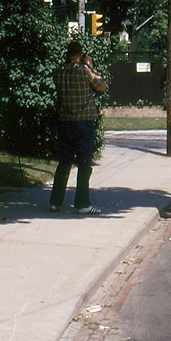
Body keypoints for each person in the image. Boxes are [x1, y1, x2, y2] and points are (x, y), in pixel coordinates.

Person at [49, 41, 106, 214]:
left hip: (65, 121)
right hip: (83, 122)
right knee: (84, 164)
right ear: (81, 55)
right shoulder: (84, 71)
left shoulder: (59, 71)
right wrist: (90, 66)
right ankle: (82, 204)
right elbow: (102, 85)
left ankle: (55, 202)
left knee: (64, 163)